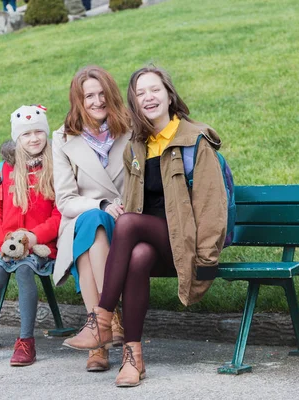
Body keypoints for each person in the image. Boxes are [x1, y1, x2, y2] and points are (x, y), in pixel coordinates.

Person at [64, 66, 228, 387]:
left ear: (169, 94)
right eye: (140, 94)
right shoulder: (136, 148)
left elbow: (212, 208)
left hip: (186, 245)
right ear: (134, 104)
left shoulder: (195, 141)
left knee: (127, 224)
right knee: (137, 255)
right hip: (153, 243)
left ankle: (101, 318)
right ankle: (133, 358)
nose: (148, 98)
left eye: (154, 90)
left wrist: (207, 262)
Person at [52, 65, 131, 372]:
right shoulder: (63, 138)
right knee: (91, 225)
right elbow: (65, 200)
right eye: (89, 96)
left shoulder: (131, 130)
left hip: (124, 218)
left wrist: (119, 206)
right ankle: (109, 321)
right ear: (78, 101)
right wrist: (99, 204)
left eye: (102, 94)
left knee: (93, 231)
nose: (97, 101)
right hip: (82, 217)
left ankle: (98, 334)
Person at [0, 104, 61, 367]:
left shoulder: (56, 166)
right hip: (7, 244)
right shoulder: (5, 169)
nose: (33, 138)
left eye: (38, 132)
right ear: (16, 138)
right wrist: (2, 239)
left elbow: (59, 214)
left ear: (46, 133)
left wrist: (33, 238)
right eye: (26, 134)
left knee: (23, 270)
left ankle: (25, 342)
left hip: (40, 246)